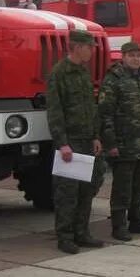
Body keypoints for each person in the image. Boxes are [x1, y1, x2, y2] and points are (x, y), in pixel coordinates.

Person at [47, 29, 106, 254]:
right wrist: (62, 142)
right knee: (67, 192)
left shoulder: (82, 72)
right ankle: (65, 237)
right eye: (89, 47)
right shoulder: (60, 73)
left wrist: (95, 136)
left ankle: (82, 233)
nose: (92, 51)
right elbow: (55, 111)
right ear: (77, 47)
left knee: (86, 189)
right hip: (69, 142)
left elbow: (90, 108)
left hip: (86, 140)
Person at [99, 41, 140, 241]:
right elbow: (105, 114)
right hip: (124, 145)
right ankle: (118, 226)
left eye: (138, 55)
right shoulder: (114, 80)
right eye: (131, 55)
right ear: (123, 57)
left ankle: (137, 220)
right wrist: (111, 144)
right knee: (122, 188)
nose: (136, 59)